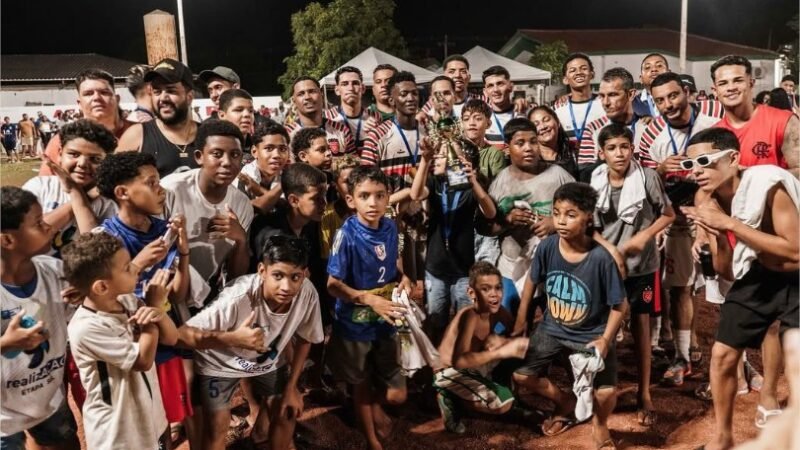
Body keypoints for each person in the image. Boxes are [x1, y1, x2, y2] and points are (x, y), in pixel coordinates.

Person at [680, 127, 799, 450]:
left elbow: (795, 251)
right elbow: (727, 270)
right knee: (721, 355)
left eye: (705, 161)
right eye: (690, 165)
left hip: (797, 276)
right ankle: (722, 438)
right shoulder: (706, 199)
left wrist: (731, 224)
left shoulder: (768, 184)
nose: (697, 171)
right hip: (760, 274)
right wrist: (718, 237)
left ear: (733, 158)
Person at [177, 235, 324, 450]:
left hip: (266, 361)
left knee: (287, 411)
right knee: (217, 425)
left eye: (295, 277)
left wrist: (292, 387)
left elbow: (305, 339)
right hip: (219, 362)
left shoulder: (308, 293)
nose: (286, 286)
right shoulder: (236, 297)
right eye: (278, 275)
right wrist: (233, 338)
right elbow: (181, 336)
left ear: (305, 274)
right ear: (262, 271)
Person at [512, 182, 628, 448]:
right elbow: (532, 281)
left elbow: (619, 306)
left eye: (571, 214)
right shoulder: (547, 247)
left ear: (588, 218)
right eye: (556, 213)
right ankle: (566, 402)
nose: (561, 221)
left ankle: (600, 425)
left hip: (591, 334)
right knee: (522, 375)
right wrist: (521, 318)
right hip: (552, 328)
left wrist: (605, 339)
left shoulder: (601, 259)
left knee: (607, 392)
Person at [93, 151, 197, 447]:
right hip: (128, 349)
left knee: (164, 424)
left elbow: (178, 293)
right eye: (151, 183)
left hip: (164, 339)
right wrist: (137, 264)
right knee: (135, 425)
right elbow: (101, 299)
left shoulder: (164, 233)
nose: (161, 190)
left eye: (158, 181)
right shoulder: (104, 240)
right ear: (122, 193)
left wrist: (184, 251)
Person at [637, 72, 726, 382]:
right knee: (681, 286)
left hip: (716, 212)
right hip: (677, 214)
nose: (668, 104)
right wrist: (661, 170)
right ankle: (683, 355)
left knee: (724, 285)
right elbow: (642, 179)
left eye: (673, 96)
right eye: (660, 100)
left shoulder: (714, 121)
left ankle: (736, 361)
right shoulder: (651, 133)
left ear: (686, 92)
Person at [591, 123, 675, 426]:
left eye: (624, 147)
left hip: (642, 267)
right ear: (601, 153)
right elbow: (592, 228)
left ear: (632, 149)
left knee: (641, 326)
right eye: (612, 148)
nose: (619, 153)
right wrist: (612, 252)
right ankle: (602, 389)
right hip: (608, 265)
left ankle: (644, 392)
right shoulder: (595, 179)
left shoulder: (647, 177)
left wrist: (643, 236)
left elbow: (668, 214)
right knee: (605, 326)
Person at [62, 231, 178, 450]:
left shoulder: (128, 300)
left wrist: (158, 313)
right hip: (118, 432)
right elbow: (142, 360)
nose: (135, 269)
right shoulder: (85, 327)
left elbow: (171, 338)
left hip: (151, 415)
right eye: (127, 268)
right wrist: (152, 308)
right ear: (101, 287)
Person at [326, 166, 413, 450]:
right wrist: (367, 298)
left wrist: (404, 277)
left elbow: (392, 264)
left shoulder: (390, 226)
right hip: (354, 323)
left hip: (385, 318)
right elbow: (332, 285)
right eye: (364, 196)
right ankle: (371, 440)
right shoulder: (346, 235)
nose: (373, 203)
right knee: (360, 382)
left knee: (397, 394)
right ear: (351, 200)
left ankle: (369, 406)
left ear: (388, 197)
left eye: (379, 195)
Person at [0, 187, 79, 450]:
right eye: (38, 223)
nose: (49, 227)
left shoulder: (55, 272)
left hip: (48, 400)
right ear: (7, 240)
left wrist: (84, 299)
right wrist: (6, 344)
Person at [476, 118, 574, 325]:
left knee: (559, 325)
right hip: (511, 269)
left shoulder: (558, 176)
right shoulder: (500, 182)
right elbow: (485, 228)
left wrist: (555, 223)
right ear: (507, 148)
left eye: (533, 141)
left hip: (554, 269)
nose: (528, 148)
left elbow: (584, 216)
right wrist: (508, 221)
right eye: (520, 143)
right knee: (509, 327)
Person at [409, 128, 497, 344]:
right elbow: (415, 194)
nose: (439, 158)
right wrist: (425, 160)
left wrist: (473, 181)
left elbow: (490, 212)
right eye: (438, 154)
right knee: (435, 320)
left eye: (444, 154)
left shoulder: (471, 189)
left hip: (464, 271)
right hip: (436, 268)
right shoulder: (436, 184)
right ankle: (436, 359)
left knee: (464, 322)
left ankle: (461, 359)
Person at [160, 119, 253, 299]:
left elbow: (235, 276)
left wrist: (241, 240)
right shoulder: (170, 190)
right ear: (199, 156)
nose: (227, 162)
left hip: (206, 296)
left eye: (235, 154)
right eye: (217, 154)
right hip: (163, 295)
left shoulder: (242, 204)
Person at [433, 261, 529, 434]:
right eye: (486, 289)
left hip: (474, 368)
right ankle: (449, 396)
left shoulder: (499, 312)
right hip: (448, 371)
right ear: (472, 293)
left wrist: (503, 340)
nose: (494, 294)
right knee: (503, 403)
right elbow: (460, 361)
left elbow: (517, 334)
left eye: (498, 288)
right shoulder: (469, 315)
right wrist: (501, 351)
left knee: (520, 354)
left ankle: (508, 396)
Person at [23, 119, 118, 256]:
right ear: (60, 154)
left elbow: (97, 255)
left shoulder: (108, 204)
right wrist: (80, 196)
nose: (82, 164)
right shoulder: (40, 186)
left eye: (95, 159)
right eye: (74, 154)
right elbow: (25, 237)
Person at [710, 55, 799, 177]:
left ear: (751, 84)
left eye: (738, 80)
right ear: (715, 91)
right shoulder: (714, 134)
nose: (731, 87)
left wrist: (752, 176)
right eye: (723, 83)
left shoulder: (784, 121)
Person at [117, 58, 201, 177]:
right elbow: (111, 181)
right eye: (157, 92)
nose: (163, 98)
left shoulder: (207, 134)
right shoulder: (137, 136)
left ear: (189, 97)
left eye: (171, 91)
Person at [40, 69, 133, 175]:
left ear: (117, 99)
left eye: (104, 92)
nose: (96, 97)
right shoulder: (61, 141)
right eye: (88, 94)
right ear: (79, 103)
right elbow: (46, 182)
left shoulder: (141, 133)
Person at [578, 67, 648, 180]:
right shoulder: (593, 129)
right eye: (602, 96)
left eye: (612, 95)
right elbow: (585, 175)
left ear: (631, 94)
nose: (605, 102)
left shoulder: (648, 127)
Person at [284, 76, 355, 157]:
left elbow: (354, 161)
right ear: (294, 101)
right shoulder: (286, 135)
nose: (307, 97)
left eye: (312, 91)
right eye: (301, 94)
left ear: (322, 95)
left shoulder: (341, 130)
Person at [236, 120, 291, 214]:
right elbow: (245, 214)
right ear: (254, 152)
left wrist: (260, 191)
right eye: (269, 148)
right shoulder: (242, 178)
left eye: (282, 149)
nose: (277, 155)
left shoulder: (290, 177)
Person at [324, 66, 381, 151]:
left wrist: (378, 134)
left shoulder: (375, 117)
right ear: (337, 90)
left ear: (363, 88)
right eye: (344, 84)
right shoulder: (327, 117)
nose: (350, 88)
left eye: (355, 83)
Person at [553, 53, 605, 144]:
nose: (579, 73)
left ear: (592, 74)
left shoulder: (605, 104)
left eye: (584, 68)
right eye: (572, 70)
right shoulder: (557, 109)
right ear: (565, 80)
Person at [461, 99, 507, 183]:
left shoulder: (495, 154)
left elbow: (500, 187)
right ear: (461, 123)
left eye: (478, 119)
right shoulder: (455, 150)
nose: (471, 123)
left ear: (488, 124)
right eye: (466, 119)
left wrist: (478, 177)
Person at [528, 105, 579, 178]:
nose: (543, 127)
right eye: (536, 124)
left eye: (546, 120)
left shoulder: (574, 153)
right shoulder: (528, 158)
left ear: (557, 122)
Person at [482, 65, 521, 148]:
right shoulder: (481, 119)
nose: (495, 90)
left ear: (510, 87)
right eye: (490, 86)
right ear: (485, 92)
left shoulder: (523, 114)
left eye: (500, 84)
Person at [633, 53, 670, 118]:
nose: (654, 69)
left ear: (669, 73)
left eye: (659, 66)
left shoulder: (680, 99)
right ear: (641, 79)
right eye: (647, 67)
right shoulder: (632, 104)